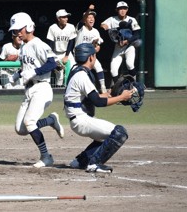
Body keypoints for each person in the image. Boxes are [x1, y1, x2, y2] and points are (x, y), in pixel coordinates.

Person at [64, 43, 133, 173]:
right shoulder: (82, 76)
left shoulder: (77, 72)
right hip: (80, 119)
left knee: (104, 136)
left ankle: (81, 161)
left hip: (77, 119)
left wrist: (109, 94)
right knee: (119, 133)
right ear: (90, 57)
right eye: (94, 55)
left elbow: (93, 97)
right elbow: (98, 102)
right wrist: (121, 97)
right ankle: (94, 163)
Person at [8, 12, 64, 168]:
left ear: (29, 27)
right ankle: (50, 120)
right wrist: (16, 76)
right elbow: (26, 68)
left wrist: (34, 72)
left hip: (42, 88)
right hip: (29, 90)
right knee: (20, 129)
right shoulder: (24, 47)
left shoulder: (39, 44)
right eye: (15, 30)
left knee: (29, 122)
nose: (17, 32)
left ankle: (46, 157)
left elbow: (53, 63)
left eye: (20, 29)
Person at [100, 1, 141, 83]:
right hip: (118, 47)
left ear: (127, 10)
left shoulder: (131, 19)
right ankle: (117, 87)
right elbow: (102, 24)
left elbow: (137, 34)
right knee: (113, 70)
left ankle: (135, 84)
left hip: (129, 46)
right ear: (116, 10)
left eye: (124, 8)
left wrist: (127, 41)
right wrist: (104, 26)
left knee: (130, 64)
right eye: (120, 9)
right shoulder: (112, 19)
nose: (122, 10)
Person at [74, 5, 107, 93]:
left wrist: (97, 47)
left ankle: (103, 88)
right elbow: (82, 20)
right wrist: (89, 9)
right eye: (89, 17)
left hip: (90, 56)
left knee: (99, 67)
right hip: (79, 57)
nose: (91, 19)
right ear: (85, 19)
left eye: (93, 17)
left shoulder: (95, 31)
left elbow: (97, 44)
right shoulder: (80, 28)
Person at [46, 9, 77, 87]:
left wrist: (66, 56)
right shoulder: (52, 28)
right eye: (63, 17)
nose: (66, 18)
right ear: (58, 18)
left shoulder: (71, 27)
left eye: (66, 17)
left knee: (73, 69)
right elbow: (50, 44)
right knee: (59, 76)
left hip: (67, 52)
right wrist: (54, 58)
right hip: (56, 53)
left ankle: (71, 89)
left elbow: (71, 42)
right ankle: (59, 93)